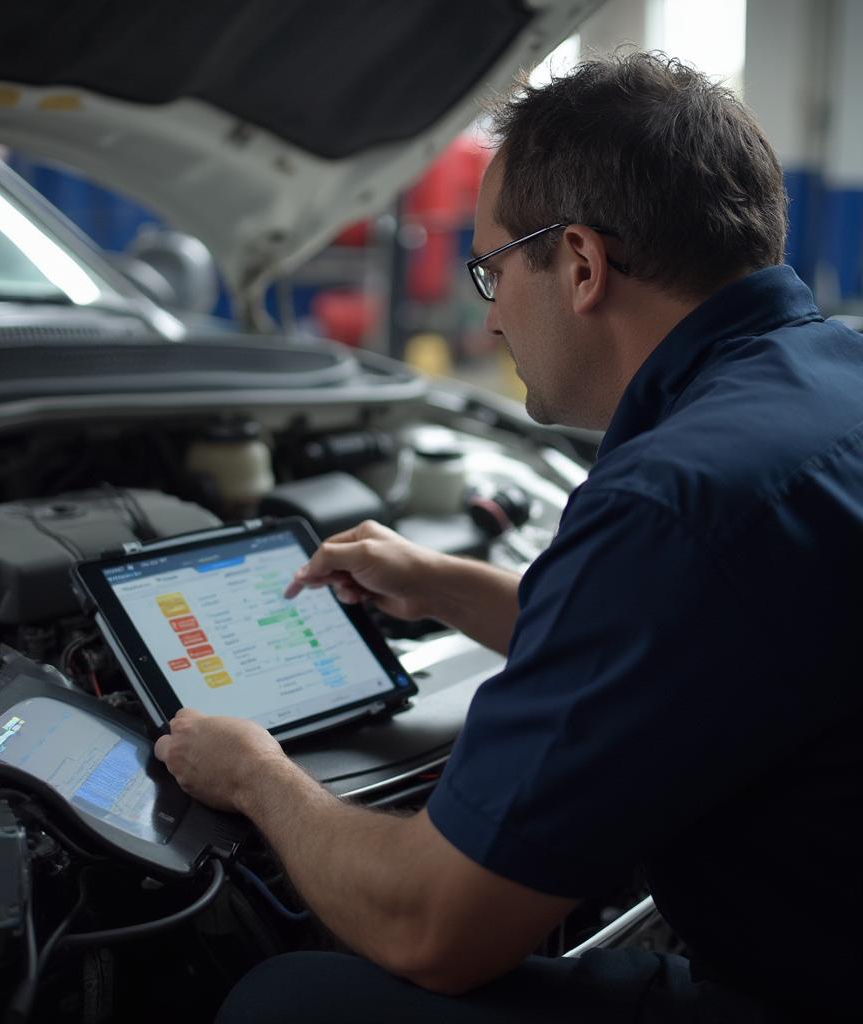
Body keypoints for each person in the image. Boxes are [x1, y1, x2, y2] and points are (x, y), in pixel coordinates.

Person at [154, 52, 863, 1022]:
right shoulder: (831, 382)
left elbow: (433, 929)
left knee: (288, 1001)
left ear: (580, 263)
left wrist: (257, 776)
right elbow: (708, 638)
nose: (487, 316)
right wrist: (449, 586)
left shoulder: (672, 500)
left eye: (491, 267)